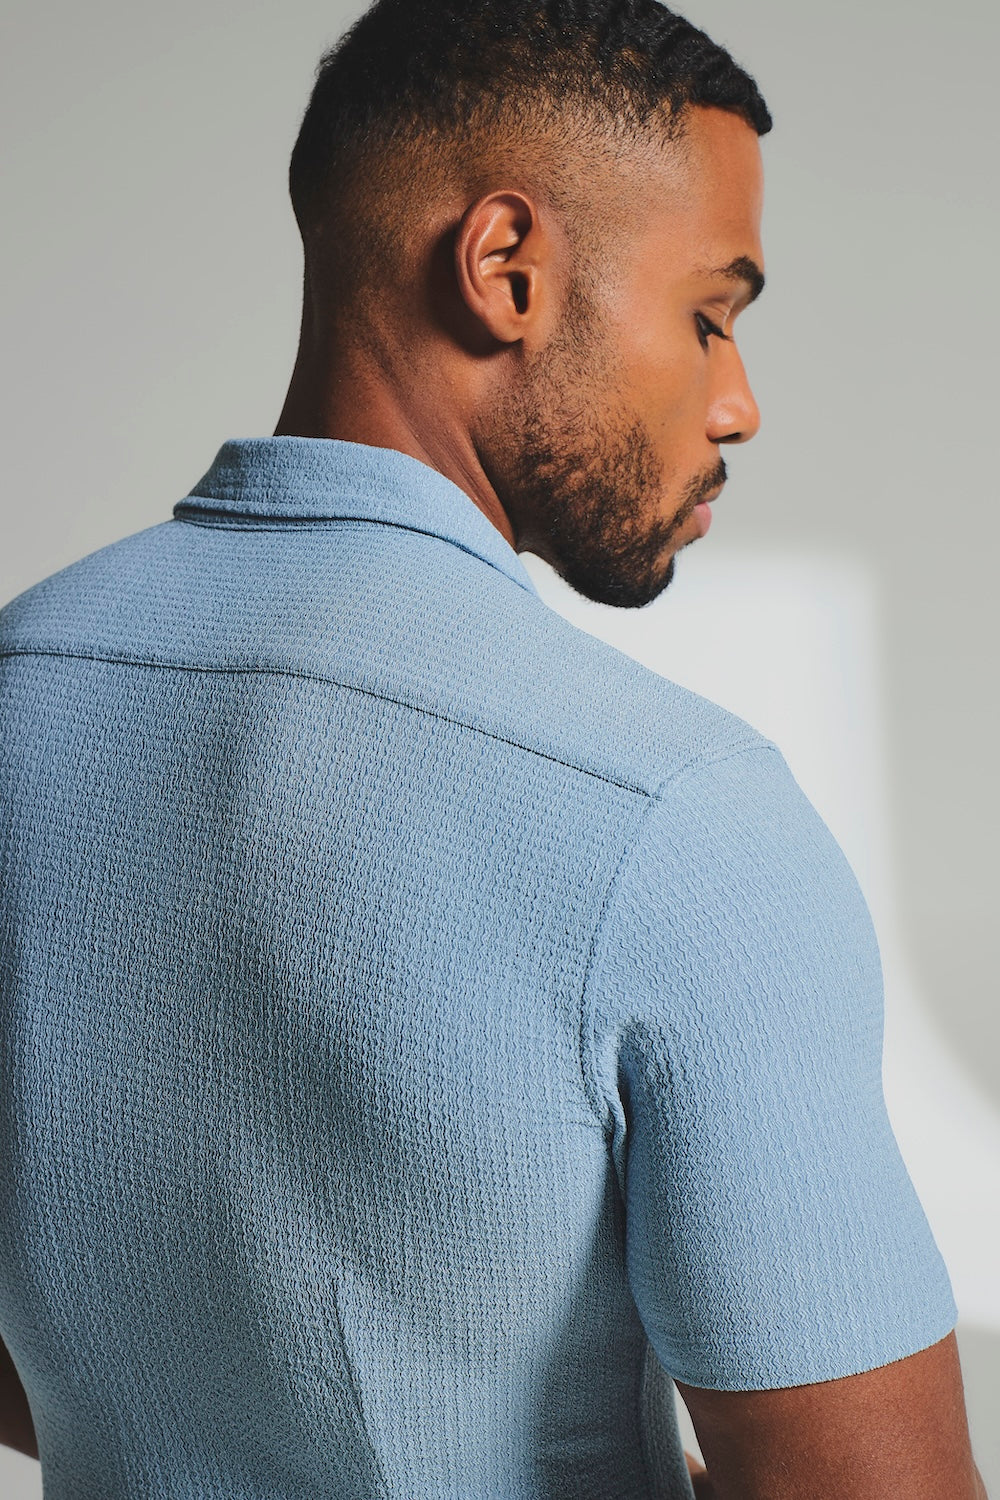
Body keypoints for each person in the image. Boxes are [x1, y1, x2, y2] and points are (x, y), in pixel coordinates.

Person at [0, 1, 987, 1496]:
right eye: (712, 314)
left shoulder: (22, 689)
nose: (739, 402)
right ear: (506, 268)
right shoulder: (680, 817)